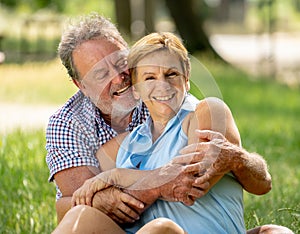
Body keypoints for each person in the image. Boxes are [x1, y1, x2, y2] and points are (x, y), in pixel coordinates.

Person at [46, 13, 291, 233]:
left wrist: (117, 177)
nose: (161, 85)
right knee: (82, 216)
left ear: (186, 79)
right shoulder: (122, 142)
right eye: (149, 77)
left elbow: (190, 181)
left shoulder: (204, 111)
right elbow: (74, 201)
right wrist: (107, 191)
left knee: (161, 229)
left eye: (171, 74)